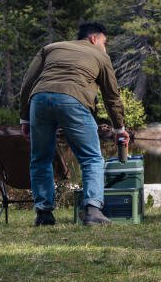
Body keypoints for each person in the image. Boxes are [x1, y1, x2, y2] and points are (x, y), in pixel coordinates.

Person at [19, 21, 128, 227]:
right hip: (73, 99)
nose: (105, 48)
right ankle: (93, 211)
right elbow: (112, 97)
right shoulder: (100, 56)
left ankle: (44, 214)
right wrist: (119, 129)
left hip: (39, 99)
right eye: (105, 42)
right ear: (94, 39)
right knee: (92, 158)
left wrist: (25, 117)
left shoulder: (51, 48)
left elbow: (28, 82)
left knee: (40, 158)